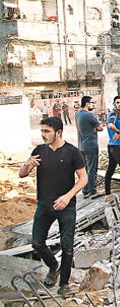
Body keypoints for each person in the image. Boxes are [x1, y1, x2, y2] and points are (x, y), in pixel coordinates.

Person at [19, 117, 87, 297]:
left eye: (47, 131)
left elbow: (83, 178)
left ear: (58, 132)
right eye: (42, 131)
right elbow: (22, 175)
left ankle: (64, 283)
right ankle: (53, 266)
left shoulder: (72, 152)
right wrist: (27, 165)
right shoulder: (39, 150)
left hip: (66, 206)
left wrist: (68, 196)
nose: (43, 135)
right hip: (44, 205)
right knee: (37, 243)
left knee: (67, 247)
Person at [75, 96, 103, 199]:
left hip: (81, 146)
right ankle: (92, 191)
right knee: (92, 169)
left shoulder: (77, 114)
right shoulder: (89, 115)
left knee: (85, 169)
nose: (93, 105)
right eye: (92, 103)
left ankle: (85, 190)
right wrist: (94, 129)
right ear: (87, 104)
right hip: (91, 145)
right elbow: (100, 128)